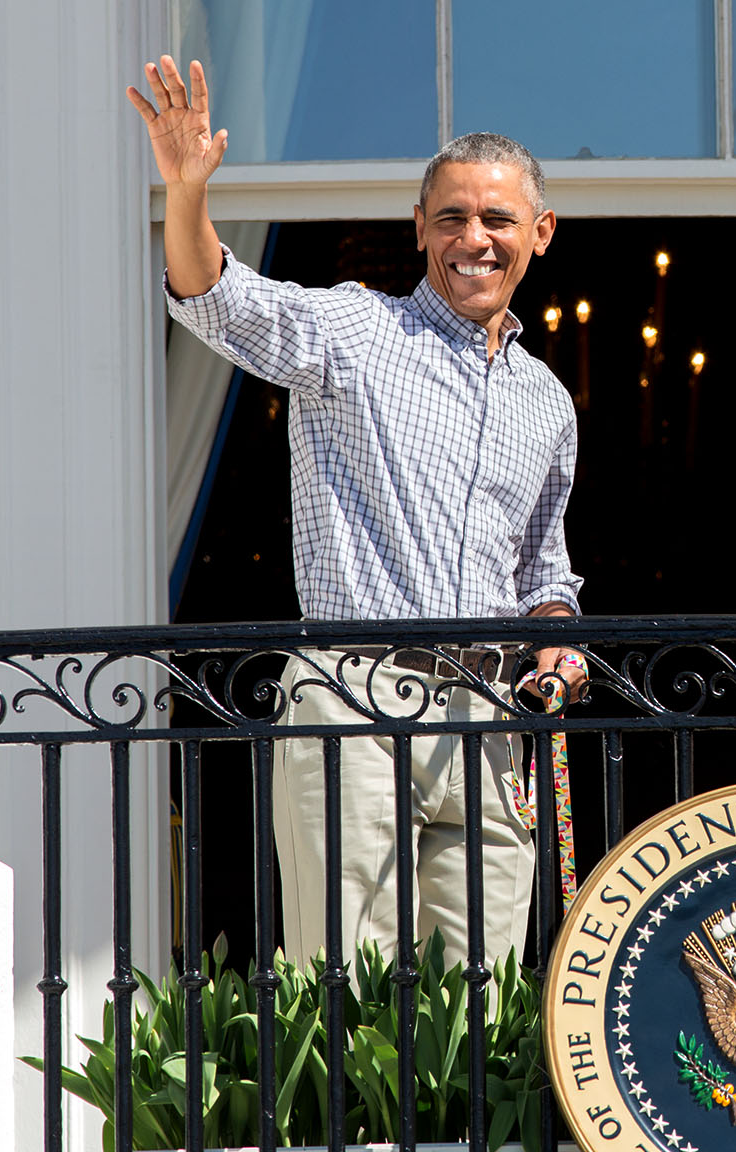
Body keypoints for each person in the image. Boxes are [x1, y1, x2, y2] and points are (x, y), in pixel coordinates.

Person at [128, 56, 586, 974]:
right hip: (354, 697)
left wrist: (556, 638)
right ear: (419, 228)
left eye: (498, 219)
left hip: (491, 724)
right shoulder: (355, 331)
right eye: (451, 217)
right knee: (354, 992)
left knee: (481, 1003)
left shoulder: (548, 401)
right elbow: (218, 301)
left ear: (538, 233)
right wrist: (186, 195)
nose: (474, 239)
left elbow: (543, 569)